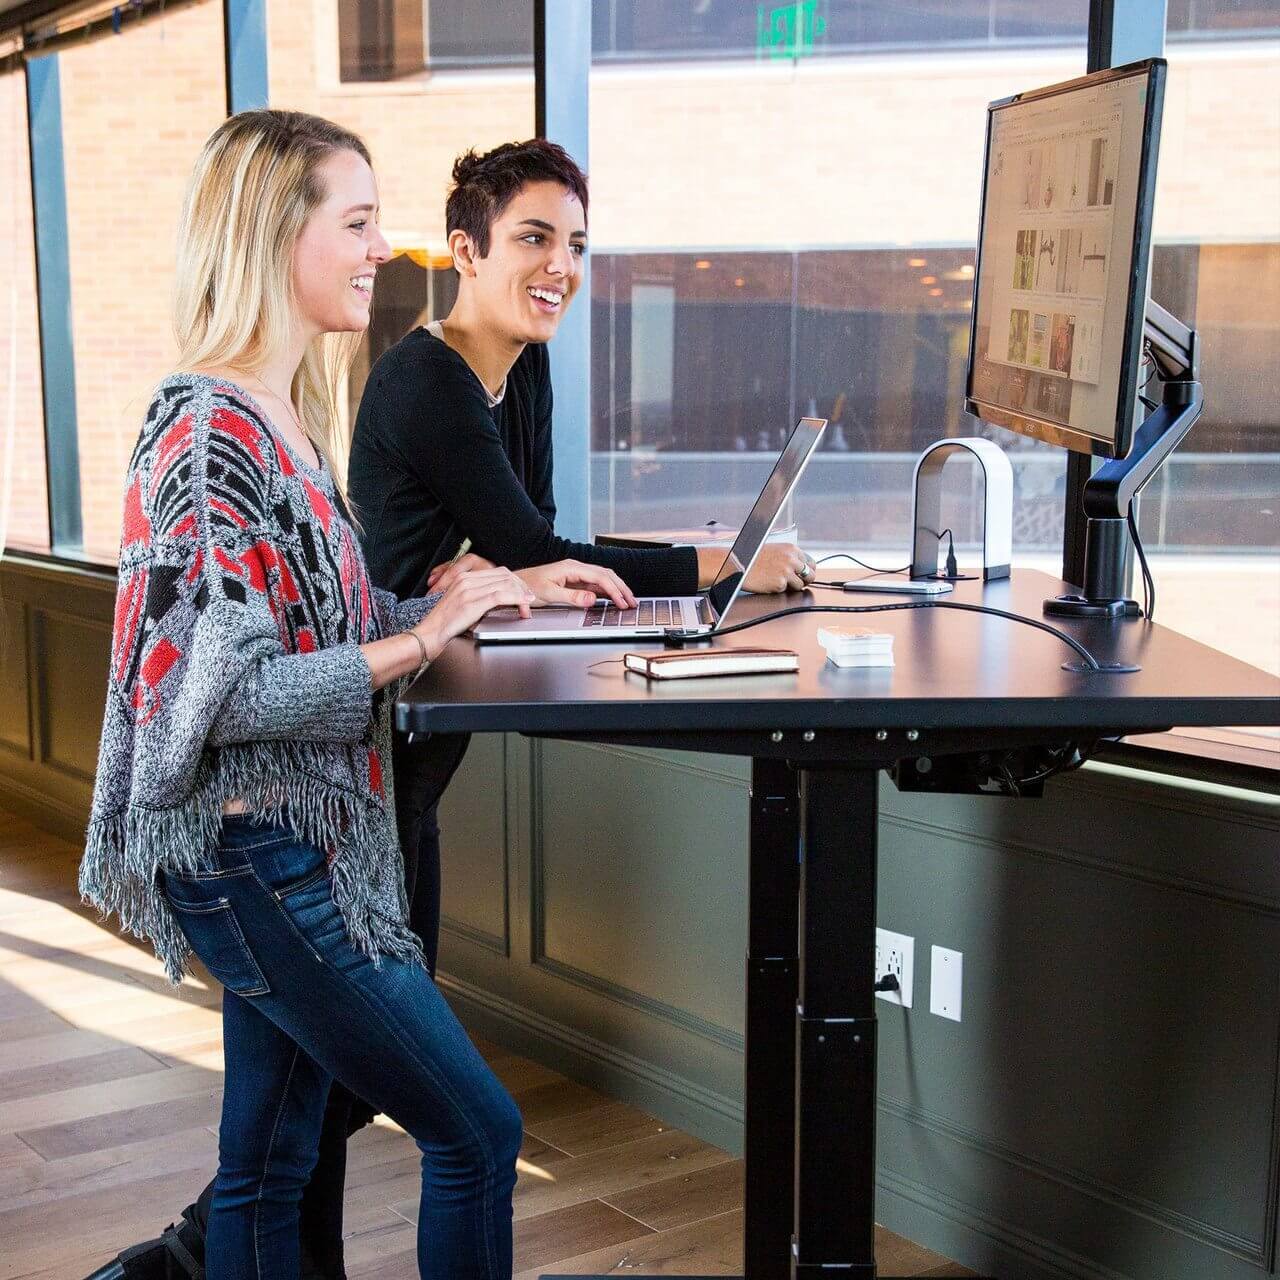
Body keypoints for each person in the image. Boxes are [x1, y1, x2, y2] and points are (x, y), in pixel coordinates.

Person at [79, 109, 633, 1280]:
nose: (386, 249)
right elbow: (213, 698)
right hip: (256, 849)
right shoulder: (203, 433)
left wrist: (450, 597)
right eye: (360, 221)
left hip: (291, 839)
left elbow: (307, 624)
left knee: (270, 1166)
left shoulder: (281, 414)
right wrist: (415, 636)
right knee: (475, 1130)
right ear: (279, 235)